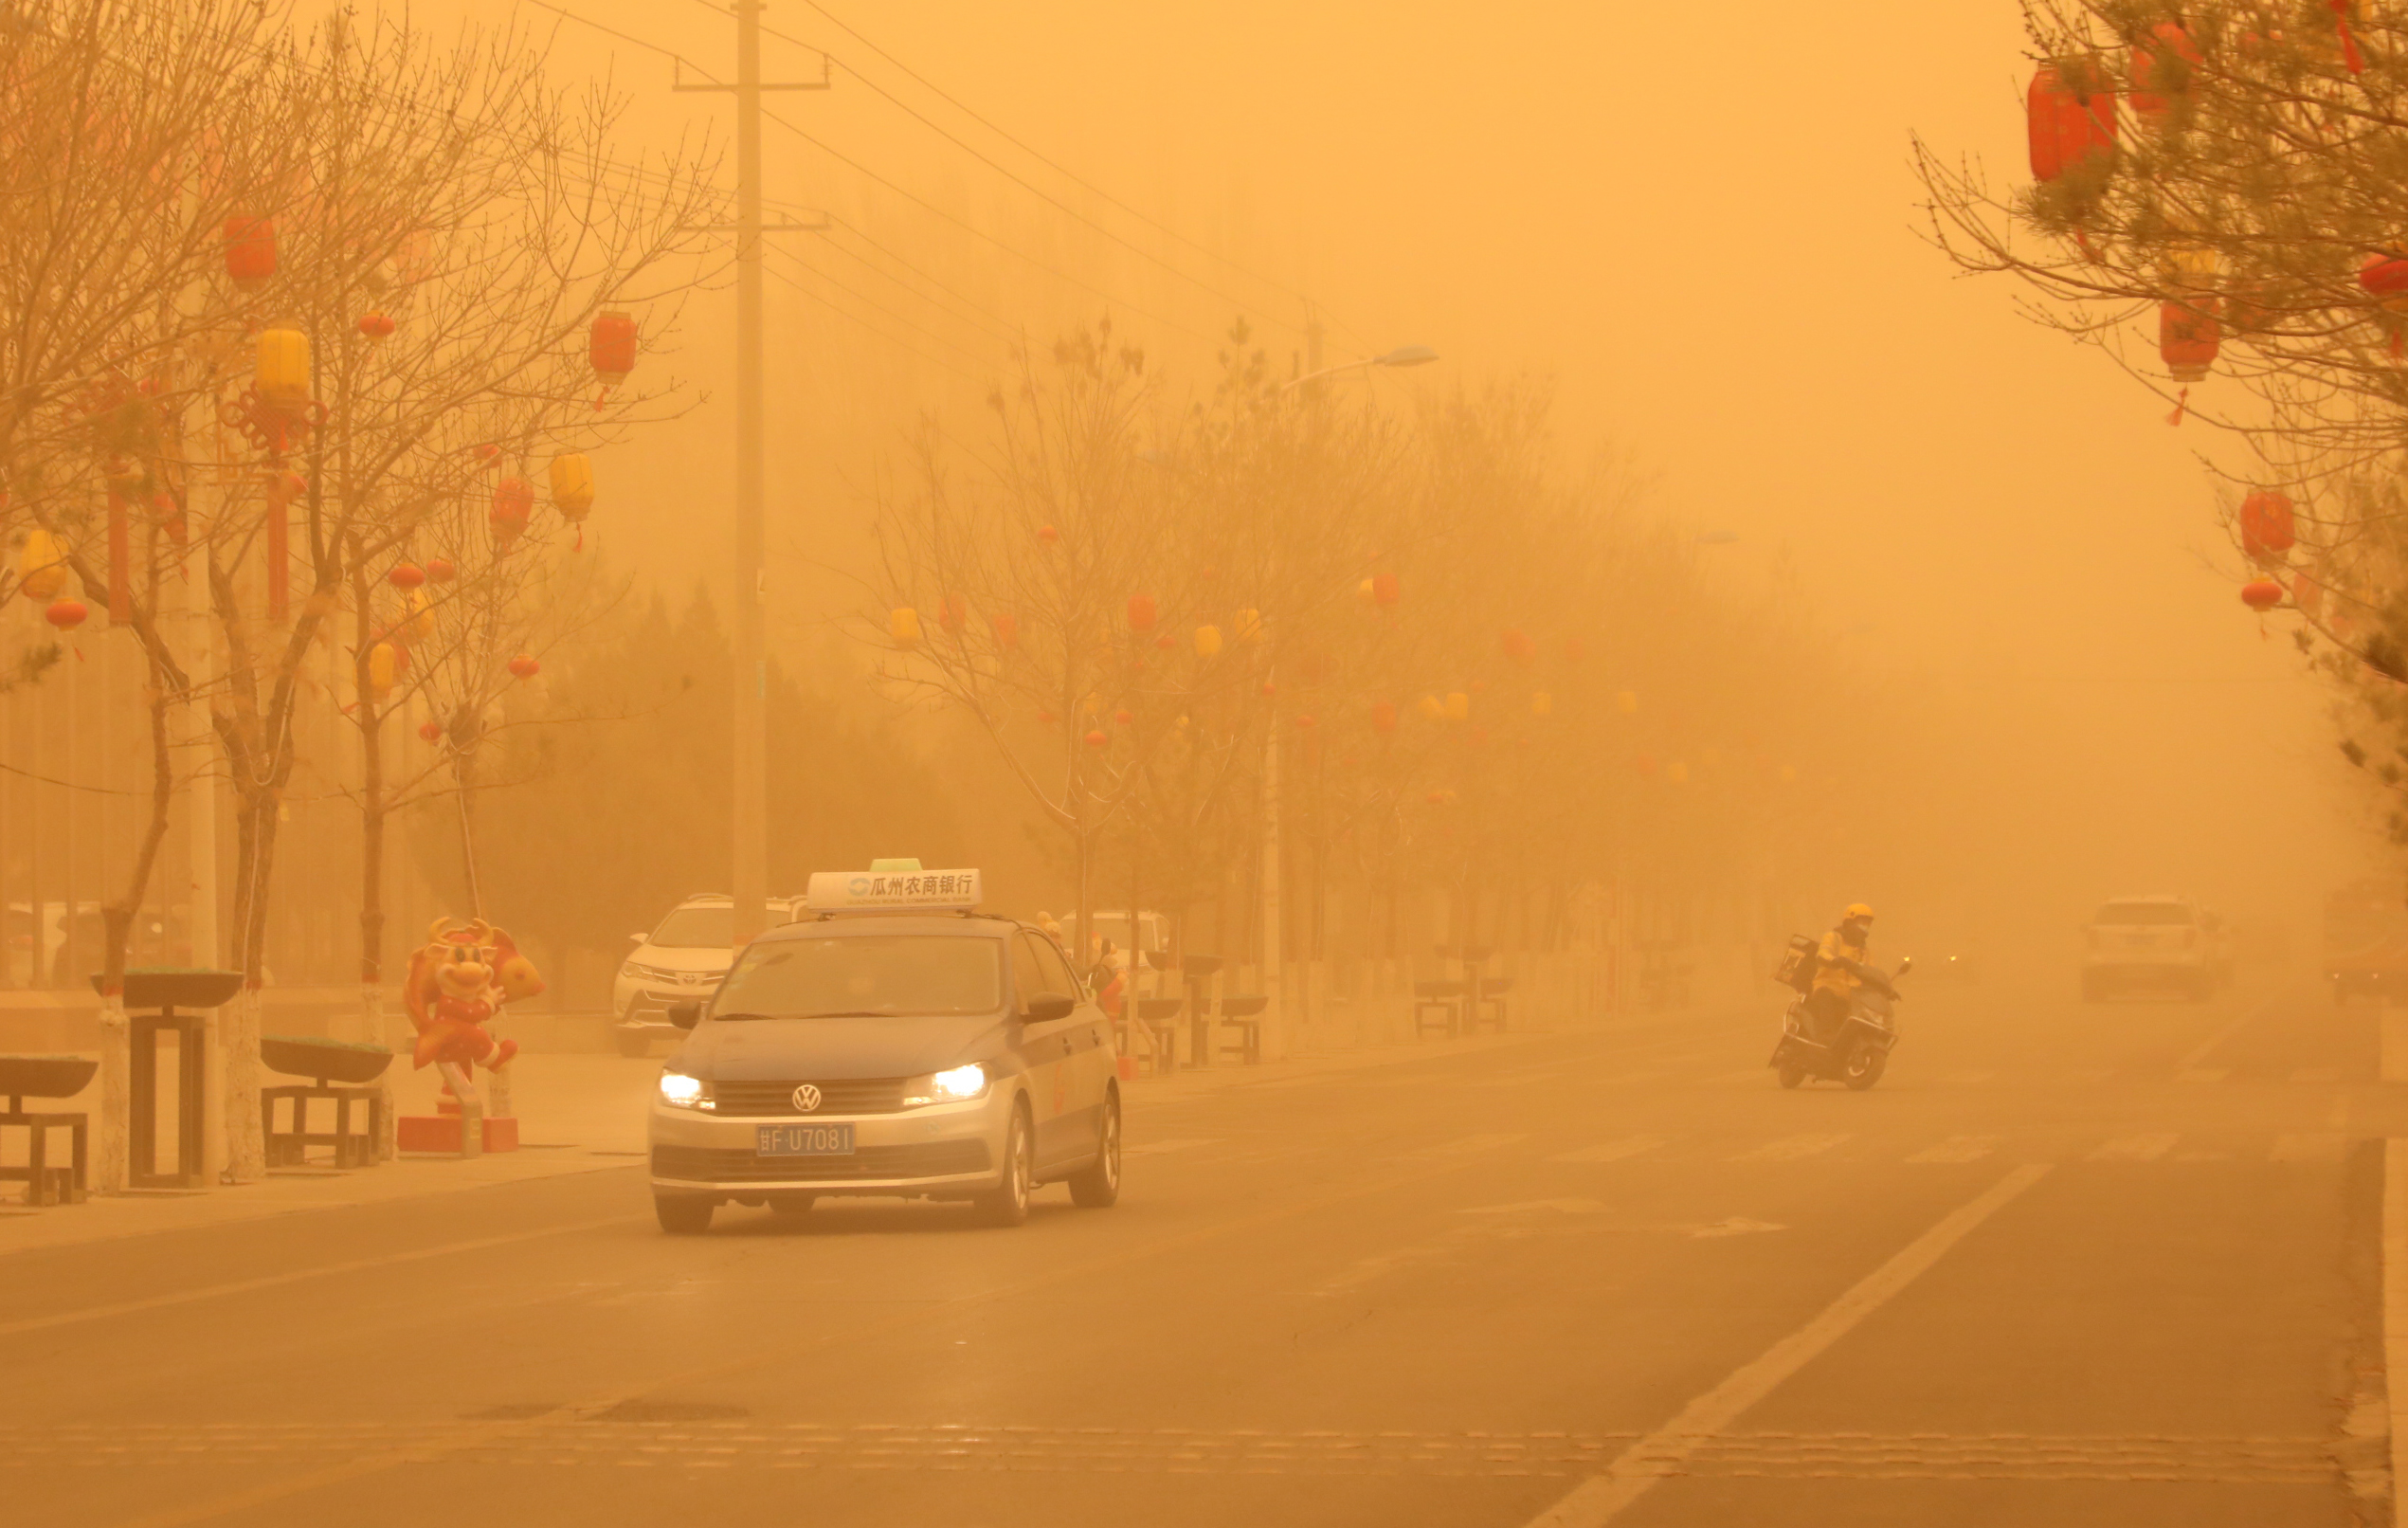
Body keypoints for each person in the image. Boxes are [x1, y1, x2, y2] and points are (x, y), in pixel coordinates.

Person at [1807, 903, 1878, 1043]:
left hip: (1852, 996)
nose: (1864, 926)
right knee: (1826, 999)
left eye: (1867, 923)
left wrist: (1885, 987)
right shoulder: (1833, 937)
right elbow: (1823, 953)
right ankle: (1825, 1039)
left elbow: (1872, 972)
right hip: (1828, 987)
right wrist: (1835, 961)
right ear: (1849, 921)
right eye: (1861, 922)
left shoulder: (1864, 950)